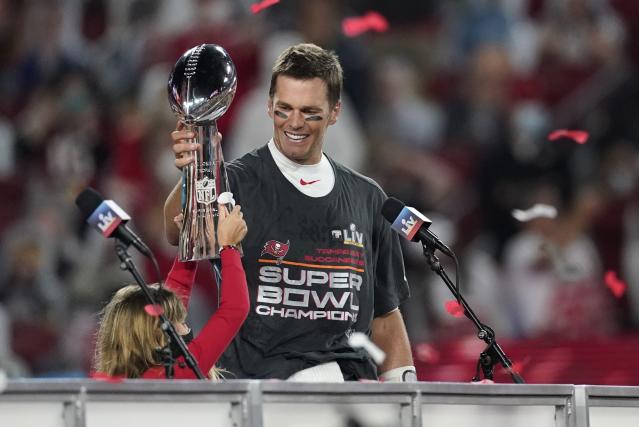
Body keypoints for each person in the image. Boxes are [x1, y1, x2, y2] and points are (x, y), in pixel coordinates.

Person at [164, 43, 415, 381]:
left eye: (310, 112)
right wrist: (194, 171)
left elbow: (385, 316)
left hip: (346, 396)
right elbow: (178, 231)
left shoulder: (368, 198)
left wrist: (405, 396)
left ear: (335, 111)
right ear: (268, 107)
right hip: (259, 396)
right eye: (284, 109)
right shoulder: (234, 182)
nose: (294, 123)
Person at [94, 204, 249, 379]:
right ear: (158, 338)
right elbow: (235, 308)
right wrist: (229, 246)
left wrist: (190, 244)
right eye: (177, 321)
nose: (186, 324)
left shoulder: (111, 381)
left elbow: (176, 289)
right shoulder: (175, 376)